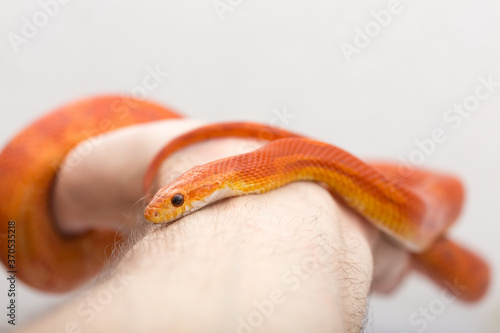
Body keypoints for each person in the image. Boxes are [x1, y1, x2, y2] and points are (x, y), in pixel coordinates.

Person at [19, 119, 410, 333]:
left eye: (177, 202)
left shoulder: (254, 171)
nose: (158, 211)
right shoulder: (250, 169)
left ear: (220, 184)